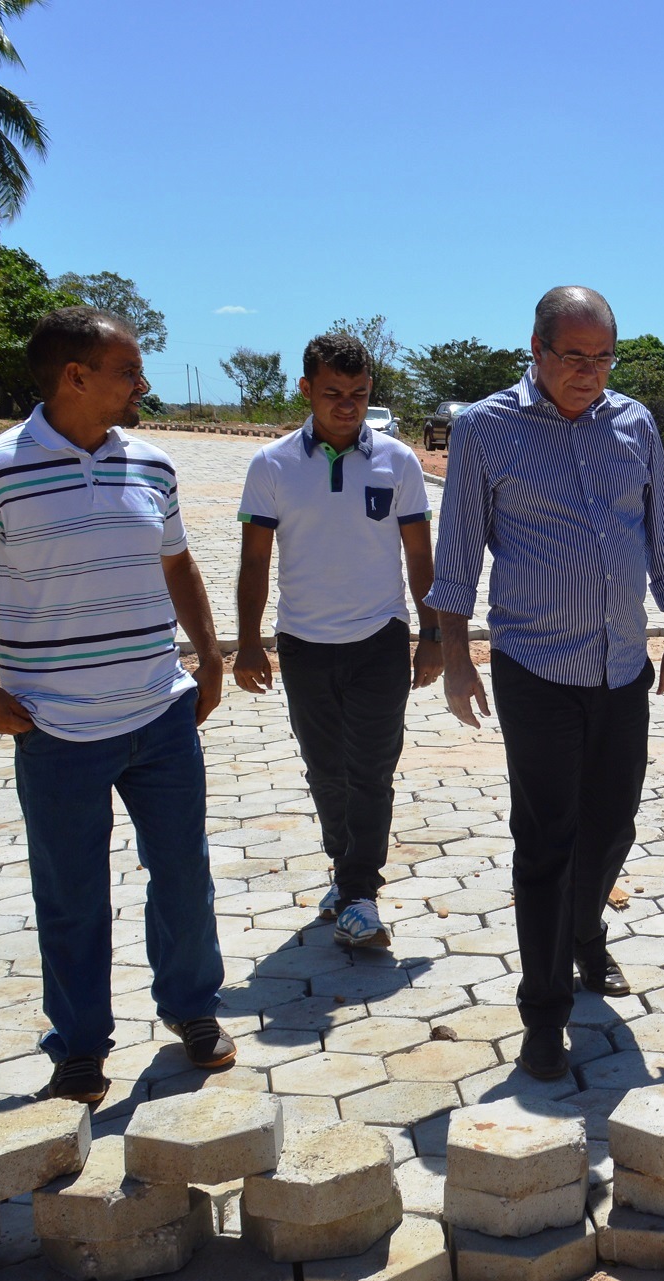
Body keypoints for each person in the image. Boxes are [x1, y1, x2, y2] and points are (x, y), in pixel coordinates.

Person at [0, 306, 234, 1104]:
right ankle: (80, 1046)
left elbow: (178, 561)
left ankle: (192, 1009)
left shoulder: (151, 466)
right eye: (127, 370)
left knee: (184, 876)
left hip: (159, 714)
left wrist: (210, 653)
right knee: (72, 893)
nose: (141, 383)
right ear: (75, 377)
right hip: (55, 729)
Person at [427, 286, 664, 1081]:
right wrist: (453, 655)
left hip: (622, 665)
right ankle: (544, 1012)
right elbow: (461, 548)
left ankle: (585, 934)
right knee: (546, 839)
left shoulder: (633, 423)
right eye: (574, 356)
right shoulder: (484, 429)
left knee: (612, 827)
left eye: (603, 356)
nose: (590, 372)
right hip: (535, 665)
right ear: (536, 350)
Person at [232, 332, 441, 950]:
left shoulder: (398, 462)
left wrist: (431, 634)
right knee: (325, 770)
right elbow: (253, 560)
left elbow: (419, 553)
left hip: (380, 638)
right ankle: (345, 869)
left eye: (358, 394)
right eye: (333, 394)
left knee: (372, 770)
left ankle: (358, 893)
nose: (347, 405)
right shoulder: (271, 466)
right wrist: (248, 642)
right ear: (305, 390)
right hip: (302, 643)